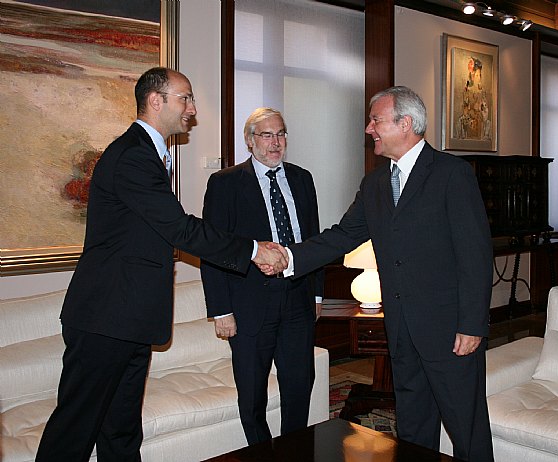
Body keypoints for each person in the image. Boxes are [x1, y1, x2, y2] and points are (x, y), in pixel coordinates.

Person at [35, 67, 286, 462]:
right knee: (74, 432)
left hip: (129, 318)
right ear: (157, 101)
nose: (192, 108)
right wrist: (253, 249)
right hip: (105, 318)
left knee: (120, 432)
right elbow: (178, 228)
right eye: (185, 98)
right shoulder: (133, 156)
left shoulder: (147, 153)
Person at [283, 86, 494, 461]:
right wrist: (288, 257)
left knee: (467, 428)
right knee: (413, 427)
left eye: (376, 120)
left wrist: (472, 325)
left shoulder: (451, 174)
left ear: (405, 123)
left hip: (450, 331)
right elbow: (343, 235)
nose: (369, 129)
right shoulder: (375, 183)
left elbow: (475, 255)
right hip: (400, 329)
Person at [200, 107, 323, 445]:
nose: (276, 142)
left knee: (299, 385)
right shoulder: (225, 184)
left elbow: (314, 239)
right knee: (253, 394)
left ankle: (295, 451)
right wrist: (221, 310)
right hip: (249, 304)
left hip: (298, 298)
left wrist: (316, 294)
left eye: (281, 134)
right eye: (267, 135)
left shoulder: (302, 178)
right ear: (250, 141)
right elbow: (213, 248)